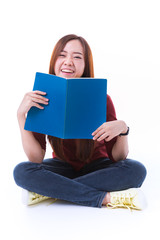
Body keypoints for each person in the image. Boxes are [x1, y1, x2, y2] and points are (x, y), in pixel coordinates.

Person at [13, 34, 147, 210]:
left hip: (98, 166)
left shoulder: (102, 99)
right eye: (62, 55)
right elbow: (35, 159)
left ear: (85, 65)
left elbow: (118, 158)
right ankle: (105, 198)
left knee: (136, 169)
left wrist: (123, 129)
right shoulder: (41, 98)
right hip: (62, 166)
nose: (68, 61)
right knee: (22, 171)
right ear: (54, 61)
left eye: (77, 57)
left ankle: (49, 191)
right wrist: (20, 116)